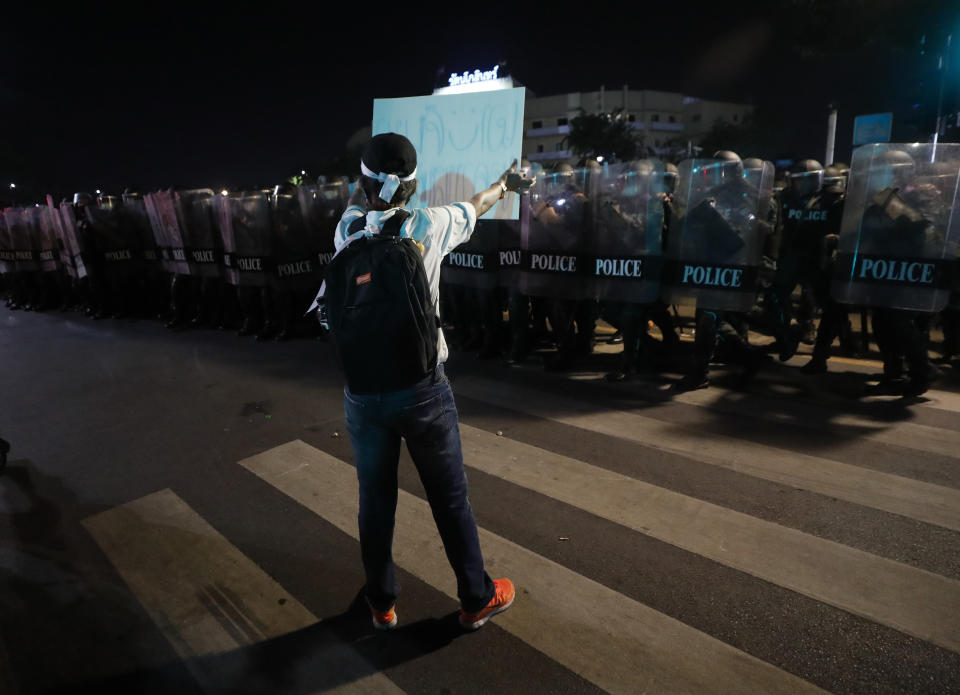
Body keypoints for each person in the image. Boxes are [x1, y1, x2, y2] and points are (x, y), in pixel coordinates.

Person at [325, 133, 530, 631]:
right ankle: (476, 598)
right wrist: (505, 184)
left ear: (362, 183)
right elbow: (477, 205)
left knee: (375, 499)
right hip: (423, 390)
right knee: (449, 498)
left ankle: (381, 602)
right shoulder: (431, 224)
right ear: (414, 188)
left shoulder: (346, 229)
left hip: (364, 393)